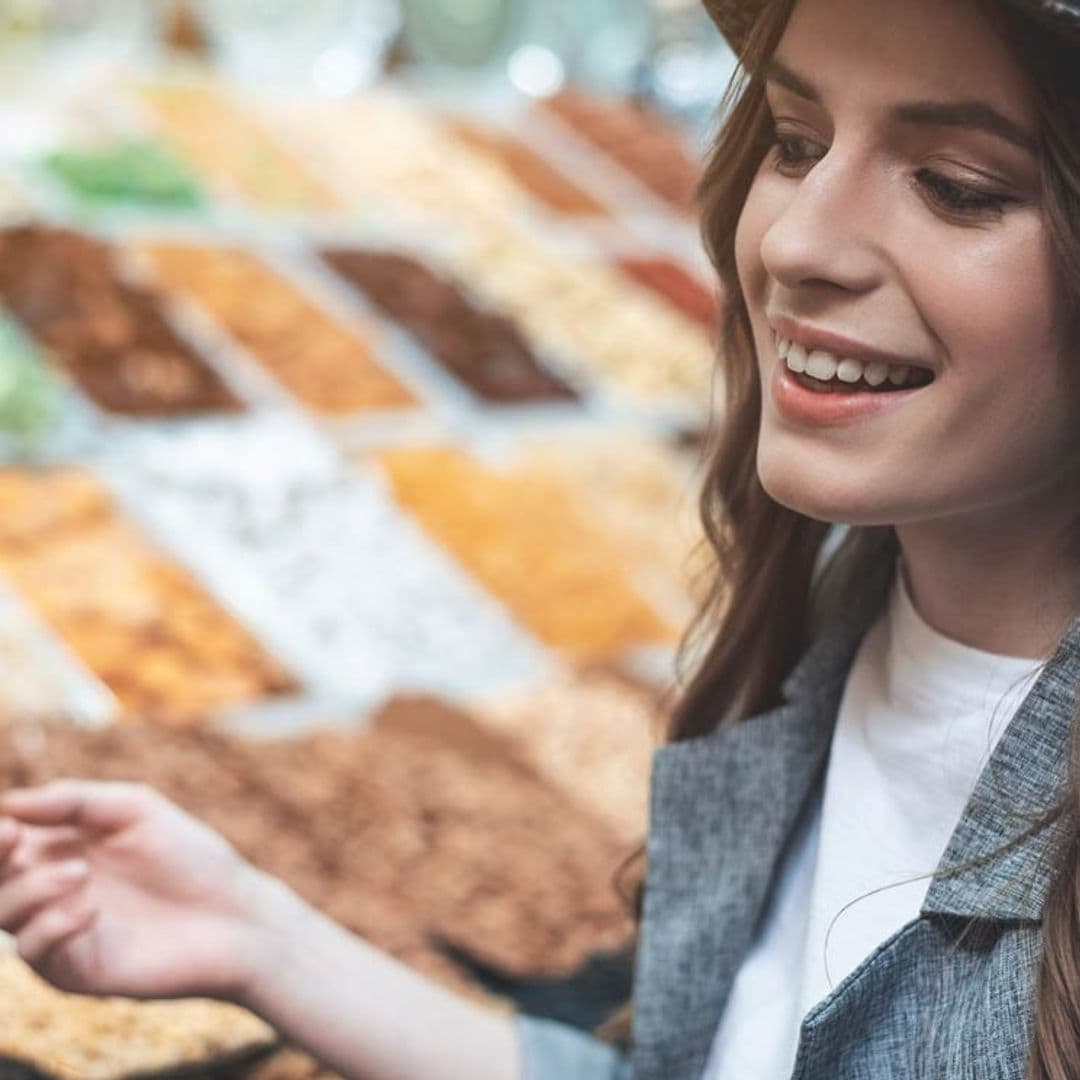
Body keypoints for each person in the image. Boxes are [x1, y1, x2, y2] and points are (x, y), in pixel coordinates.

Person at [2, 0, 1080, 1076]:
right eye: (797, 143)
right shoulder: (830, 629)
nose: (798, 242)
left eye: (957, 187)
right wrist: (260, 940)